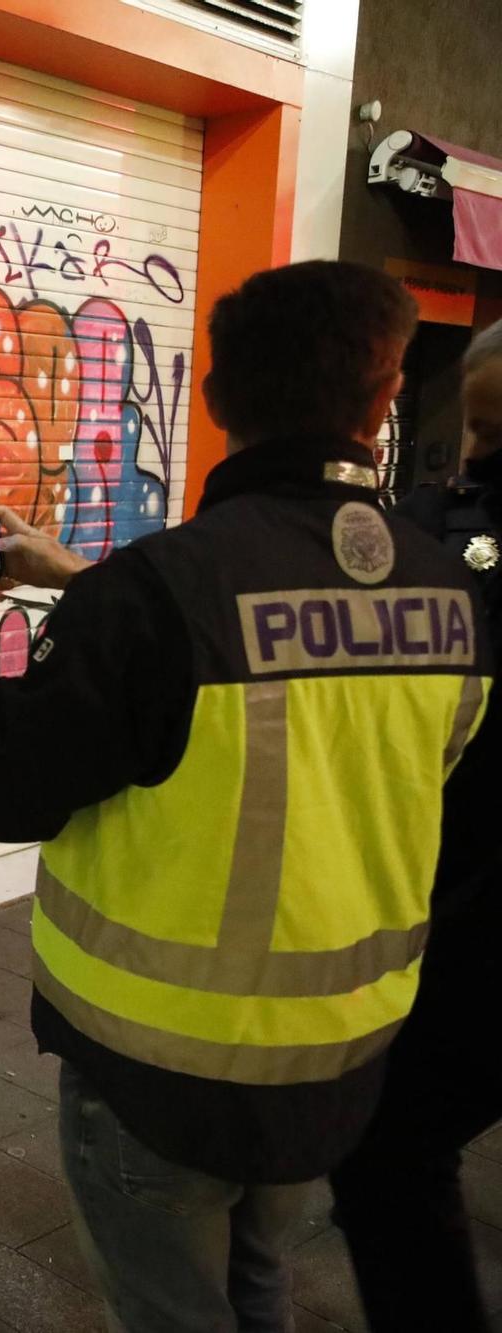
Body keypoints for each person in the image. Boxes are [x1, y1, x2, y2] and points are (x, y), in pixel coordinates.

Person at [0, 260, 491, 1332]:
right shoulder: (446, 591)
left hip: (161, 1069)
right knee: (255, 1278)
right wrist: (85, 577)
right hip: (339, 1057)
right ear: (385, 395)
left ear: (216, 399)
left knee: (174, 1311)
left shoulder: (159, 593)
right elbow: (302, 678)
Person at [327, 320, 502, 1330]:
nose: (473, 454)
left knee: (387, 1152)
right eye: (468, 429)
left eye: (490, 433)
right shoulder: (437, 519)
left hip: (476, 916)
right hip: (448, 889)